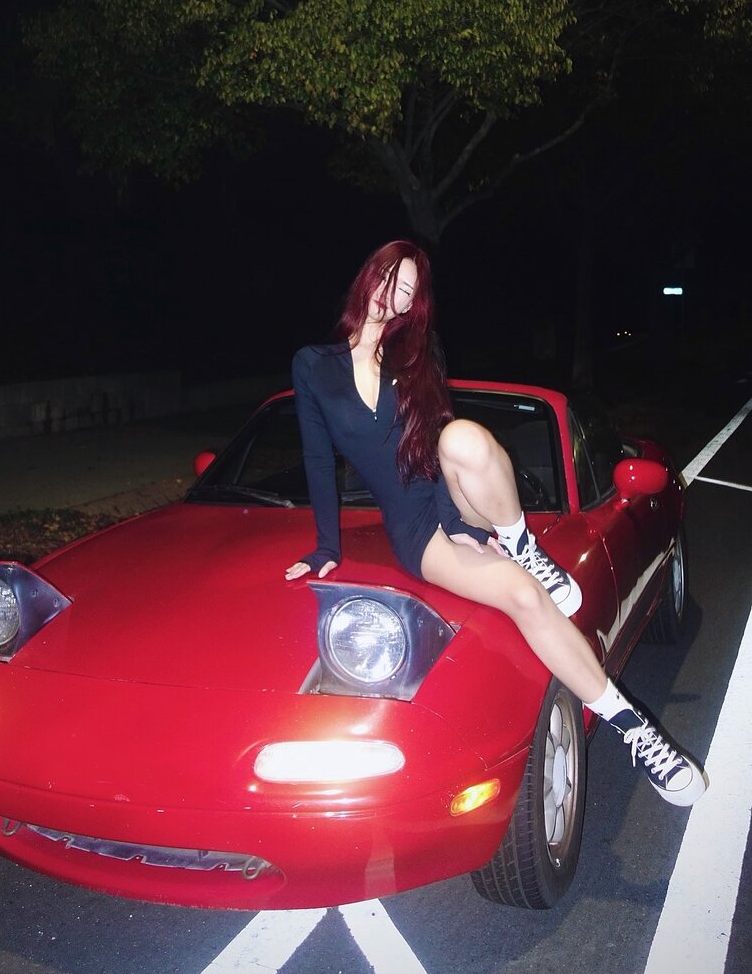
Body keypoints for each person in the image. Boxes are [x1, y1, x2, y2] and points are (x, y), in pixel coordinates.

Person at [285, 240, 706, 807]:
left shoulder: (415, 358)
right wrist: (325, 547)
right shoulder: (314, 366)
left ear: (412, 307)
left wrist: (461, 523)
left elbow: (437, 442)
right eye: (389, 280)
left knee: (462, 436)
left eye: (406, 293)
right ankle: (636, 730)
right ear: (369, 276)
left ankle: (521, 543)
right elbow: (316, 459)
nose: (392, 298)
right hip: (416, 530)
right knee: (526, 597)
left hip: (456, 499)